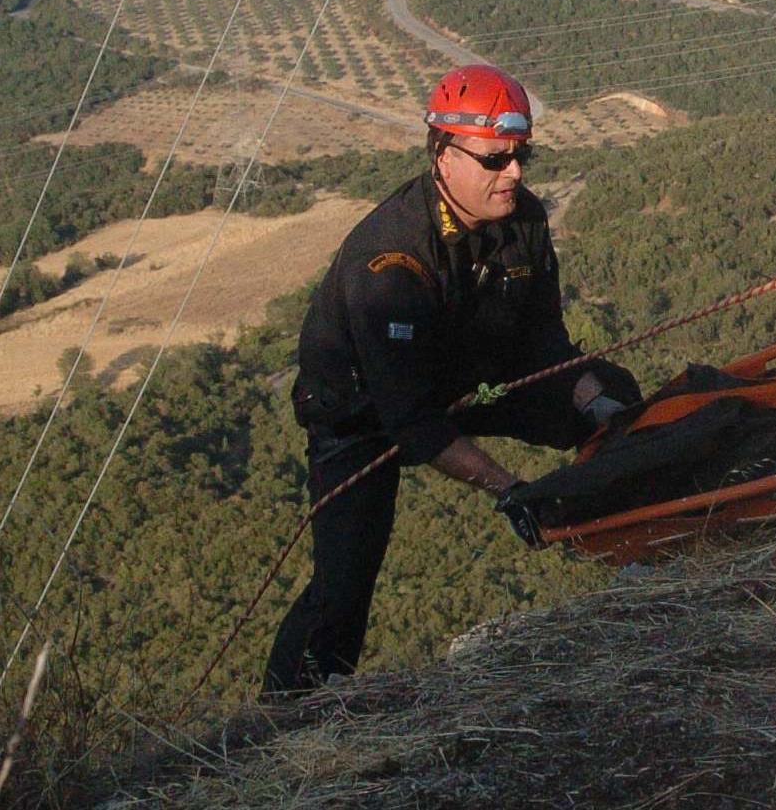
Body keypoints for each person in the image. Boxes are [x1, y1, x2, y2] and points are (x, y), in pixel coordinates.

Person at [263, 64, 639, 696]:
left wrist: (594, 403)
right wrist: (510, 489)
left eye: (522, 156)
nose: (514, 173)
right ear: (442, 153)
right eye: (495, 160)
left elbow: (543, 337)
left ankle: (640, 533)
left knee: (614, 389)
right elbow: (411, 424)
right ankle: (288, 717)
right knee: (345, 581)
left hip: (466, 378)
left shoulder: (523, 221)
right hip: (362, 414)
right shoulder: (390, 261)